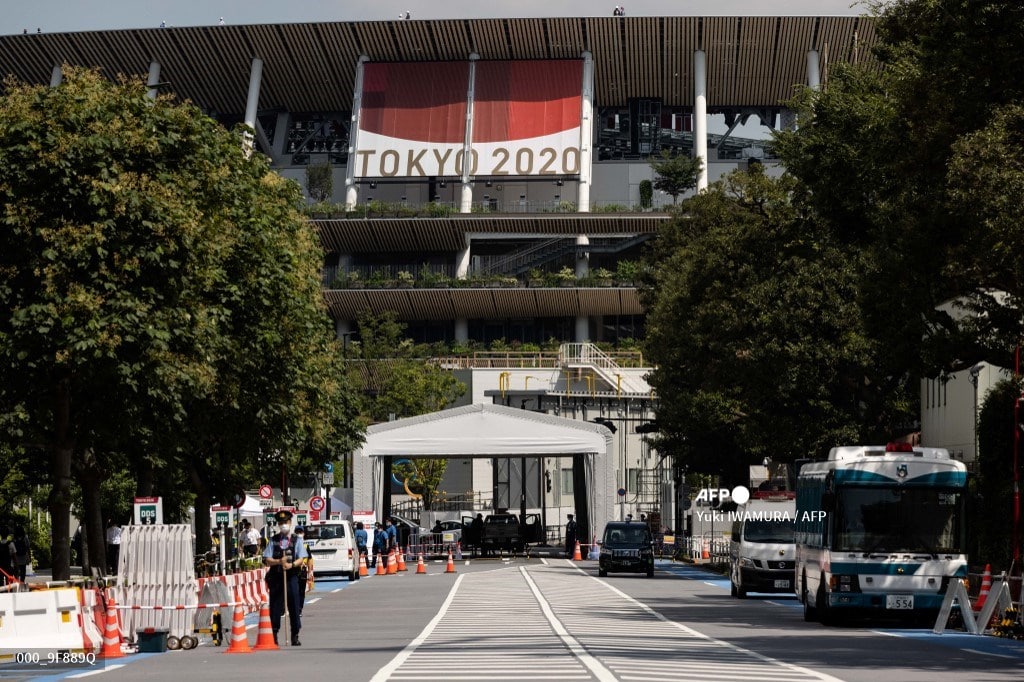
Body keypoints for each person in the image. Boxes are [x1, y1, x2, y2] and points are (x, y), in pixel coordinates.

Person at [263, 510, 306, 646]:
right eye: (280, 523)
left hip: (292, 576)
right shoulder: (273, 540)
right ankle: (274, 634)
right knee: (275, 606)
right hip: (276, 577)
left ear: (290, 523)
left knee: (294, 604)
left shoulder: (296, 540)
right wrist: (278, 562)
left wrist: (291, 564)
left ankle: (295, 634)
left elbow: (301, 558)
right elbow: (267, 559)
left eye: (285, 522)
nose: (283, 525)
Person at [293, 526, 310, 614]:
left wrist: (310, 572)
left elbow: (310, 560)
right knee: (293, 590)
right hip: (293, 570)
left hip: (303, 571)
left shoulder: (306, 546)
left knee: (301, 591)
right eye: (297, 532)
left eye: (300, 532)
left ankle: (299, 609)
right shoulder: (291, 544)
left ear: (303, 533)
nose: (299, 534)